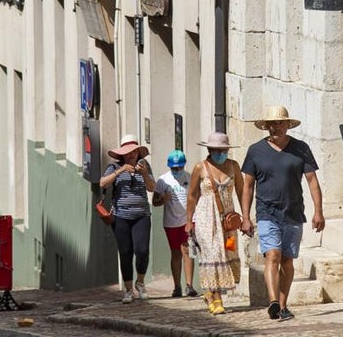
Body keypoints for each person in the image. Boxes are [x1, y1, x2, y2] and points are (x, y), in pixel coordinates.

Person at [240, 106, 324, 322]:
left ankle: (283, 305)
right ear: (266, 126)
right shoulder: (255, 151)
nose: (276, 127)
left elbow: (312, 180)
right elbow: (248, 186)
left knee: (287, 261)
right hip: (267, 211)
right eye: (272, 124)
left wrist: (318, 212)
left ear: (288, 125)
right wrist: (246, 217)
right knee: (273, 255)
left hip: (294, 212)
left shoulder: (301, 149)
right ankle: (273, 301)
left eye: (280, 123)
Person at [184, 131, 244, 315]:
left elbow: (242, 192)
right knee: (212, 254)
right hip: (205, 217)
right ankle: (217, 299)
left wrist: (245, 217)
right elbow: (193, 195)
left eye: (222, 150)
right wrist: (189, 220)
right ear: (209, 149)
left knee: (226, 252)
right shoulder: (200, 168)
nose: (219, 153)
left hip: (227, 219)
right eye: (216, 150)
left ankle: (210, 293)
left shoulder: (234, 166)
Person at [99, 134, 155, 303]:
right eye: (128, 153)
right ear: (122, 154)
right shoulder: (113, 167)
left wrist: (145, 174)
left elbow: (152, 188)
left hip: (142, 216)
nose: (132, 155)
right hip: (121, 216)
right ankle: (129, 289)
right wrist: (121, 170)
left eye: (134, 152)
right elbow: (103, 183)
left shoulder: (144, 166)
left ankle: (140, 282)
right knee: (125, 252)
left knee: (142, 251)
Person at [152, 149, 198, 298]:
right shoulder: (163, 180)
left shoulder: (190, 178)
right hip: (171, 222)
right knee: (176, 253)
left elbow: (196, 198)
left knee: (187, 250)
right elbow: (155, 202)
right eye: (174, 168)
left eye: (179, 167)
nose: (176, 170)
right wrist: (163, 199)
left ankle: (189, 285)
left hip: (188, 220)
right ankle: (177, 286)